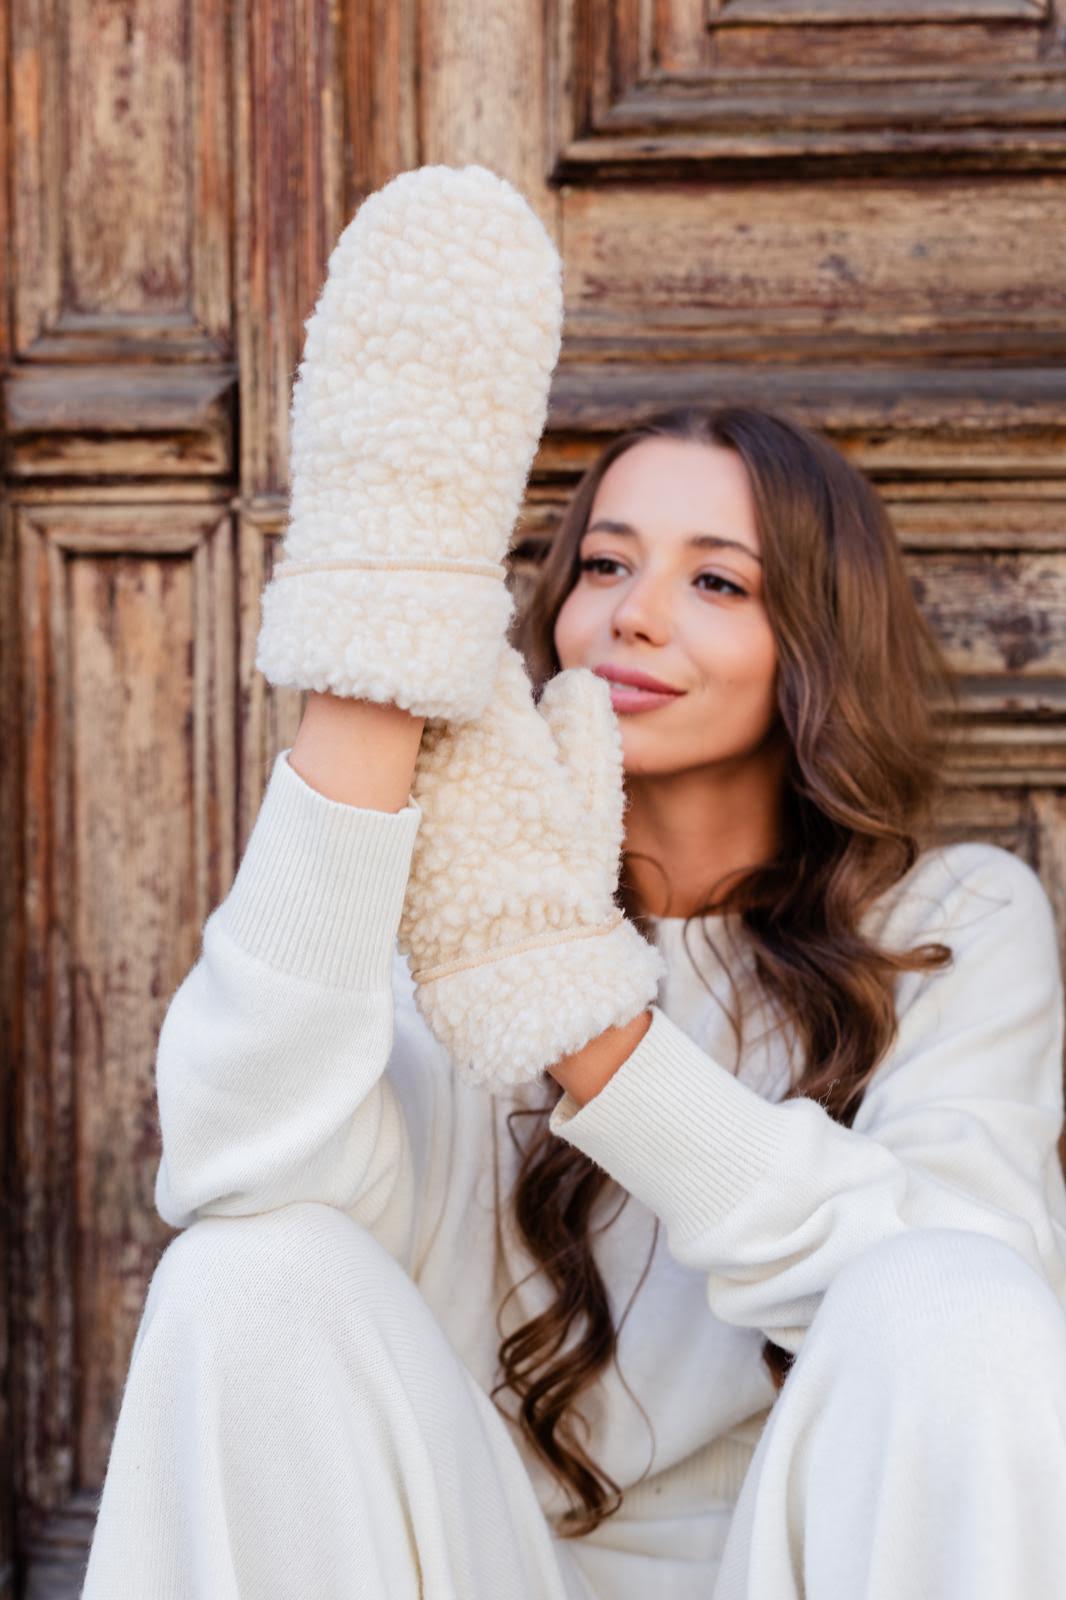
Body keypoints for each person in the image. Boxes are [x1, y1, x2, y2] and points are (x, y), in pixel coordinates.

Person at [81, 166, 1066, 1600]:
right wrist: (376, 652)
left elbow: (970, 1307)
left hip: (791, 1569)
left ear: (816, 644)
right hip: (470, 1561)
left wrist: (572, 1009)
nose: (632, 615)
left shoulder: (949, 922)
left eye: (716, 582)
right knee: (244, 1275)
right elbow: (235, 1170)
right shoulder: (447, 894)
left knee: (951, 1293)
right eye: (603, 564)